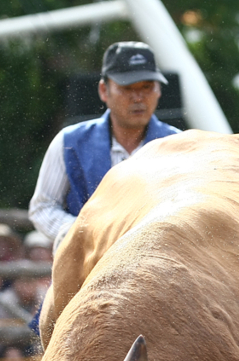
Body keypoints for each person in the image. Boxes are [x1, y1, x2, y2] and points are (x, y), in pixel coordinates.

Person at [28, 41, 180, 251]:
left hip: (160, 264)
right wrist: (83, 235)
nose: (138, 97)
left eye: (147, 87)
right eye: (127, 87)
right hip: (87, 269)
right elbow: (42, 207)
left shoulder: (180, 145)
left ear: (158, 90)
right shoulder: (69, 142)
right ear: (103, 90)